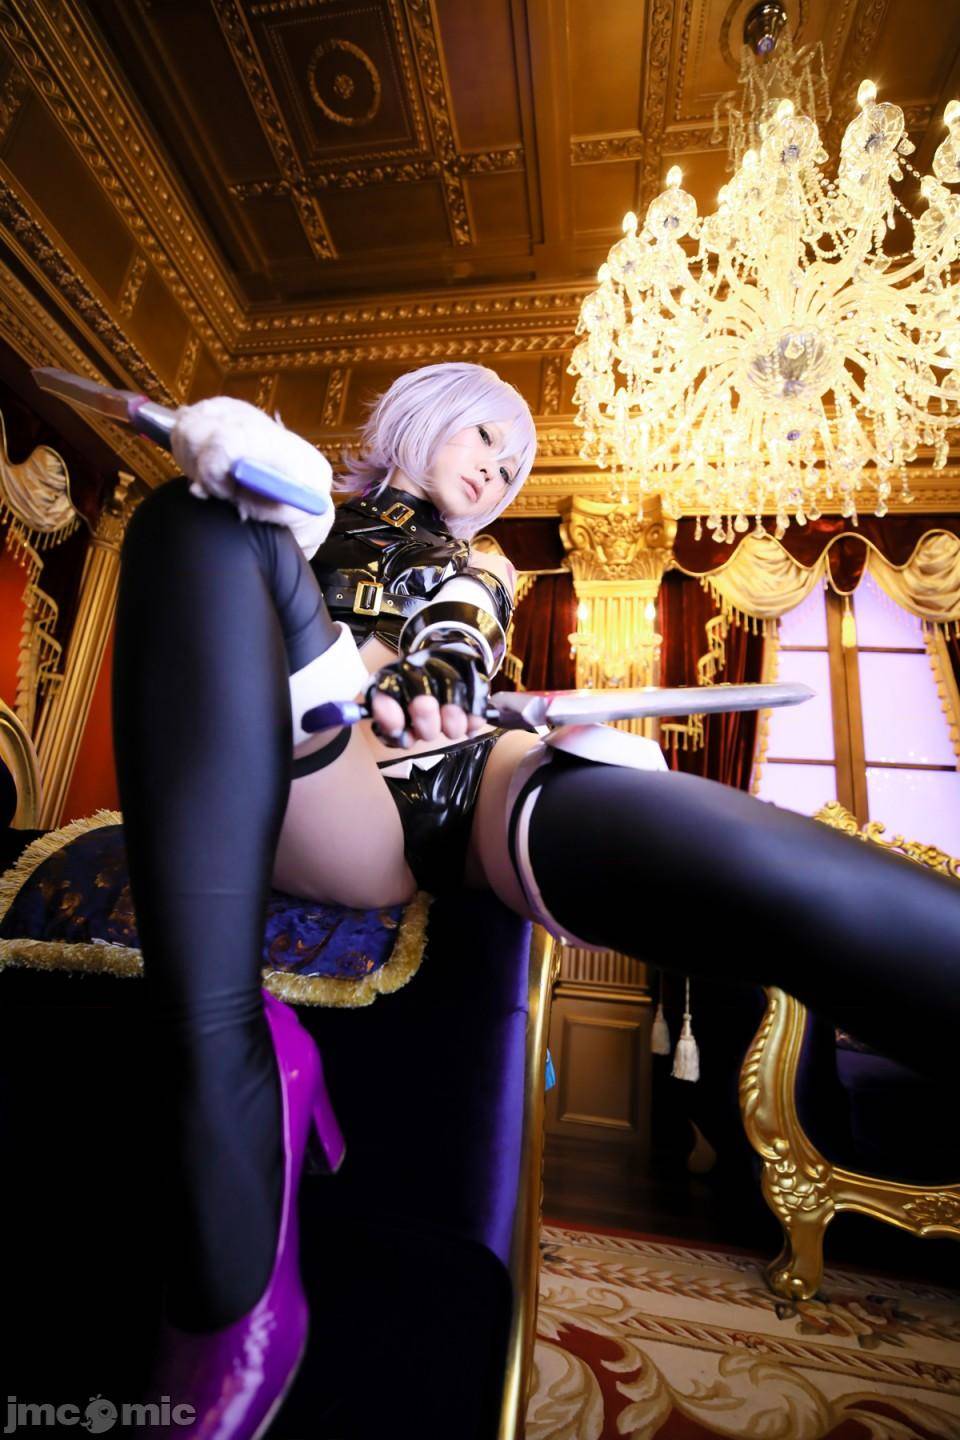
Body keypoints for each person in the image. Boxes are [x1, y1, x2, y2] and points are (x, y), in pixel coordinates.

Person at [114, 362, 960, 1440]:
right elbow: (239, 595)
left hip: (466, 770)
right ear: (423, 417)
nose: (500, 470)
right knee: (197, 520)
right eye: (485, 438)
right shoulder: (299, 514)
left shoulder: (483, 565)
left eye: (515, 463)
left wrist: (440, 684)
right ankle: (230, 1085)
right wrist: (279, 522)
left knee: (756, 870)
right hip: (328, 784)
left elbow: (464, 634)